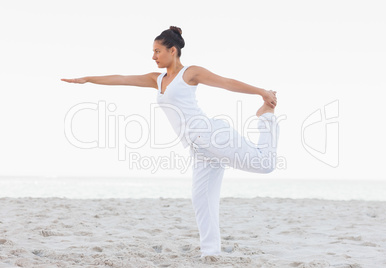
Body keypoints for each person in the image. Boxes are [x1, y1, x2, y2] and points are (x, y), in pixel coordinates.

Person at [61, 26, 279, 258]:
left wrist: (261, 92)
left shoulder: (190, 73)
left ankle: (266, 117)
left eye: (157, 51)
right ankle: (210, 252)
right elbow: (123, 79)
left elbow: (225, 82)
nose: (153, 56)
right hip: (198, 148)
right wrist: (88, 80)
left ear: (172, 50)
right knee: (202, 199)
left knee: (265, 164)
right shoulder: (157, 79)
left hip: (210, 135)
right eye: (153, 52)